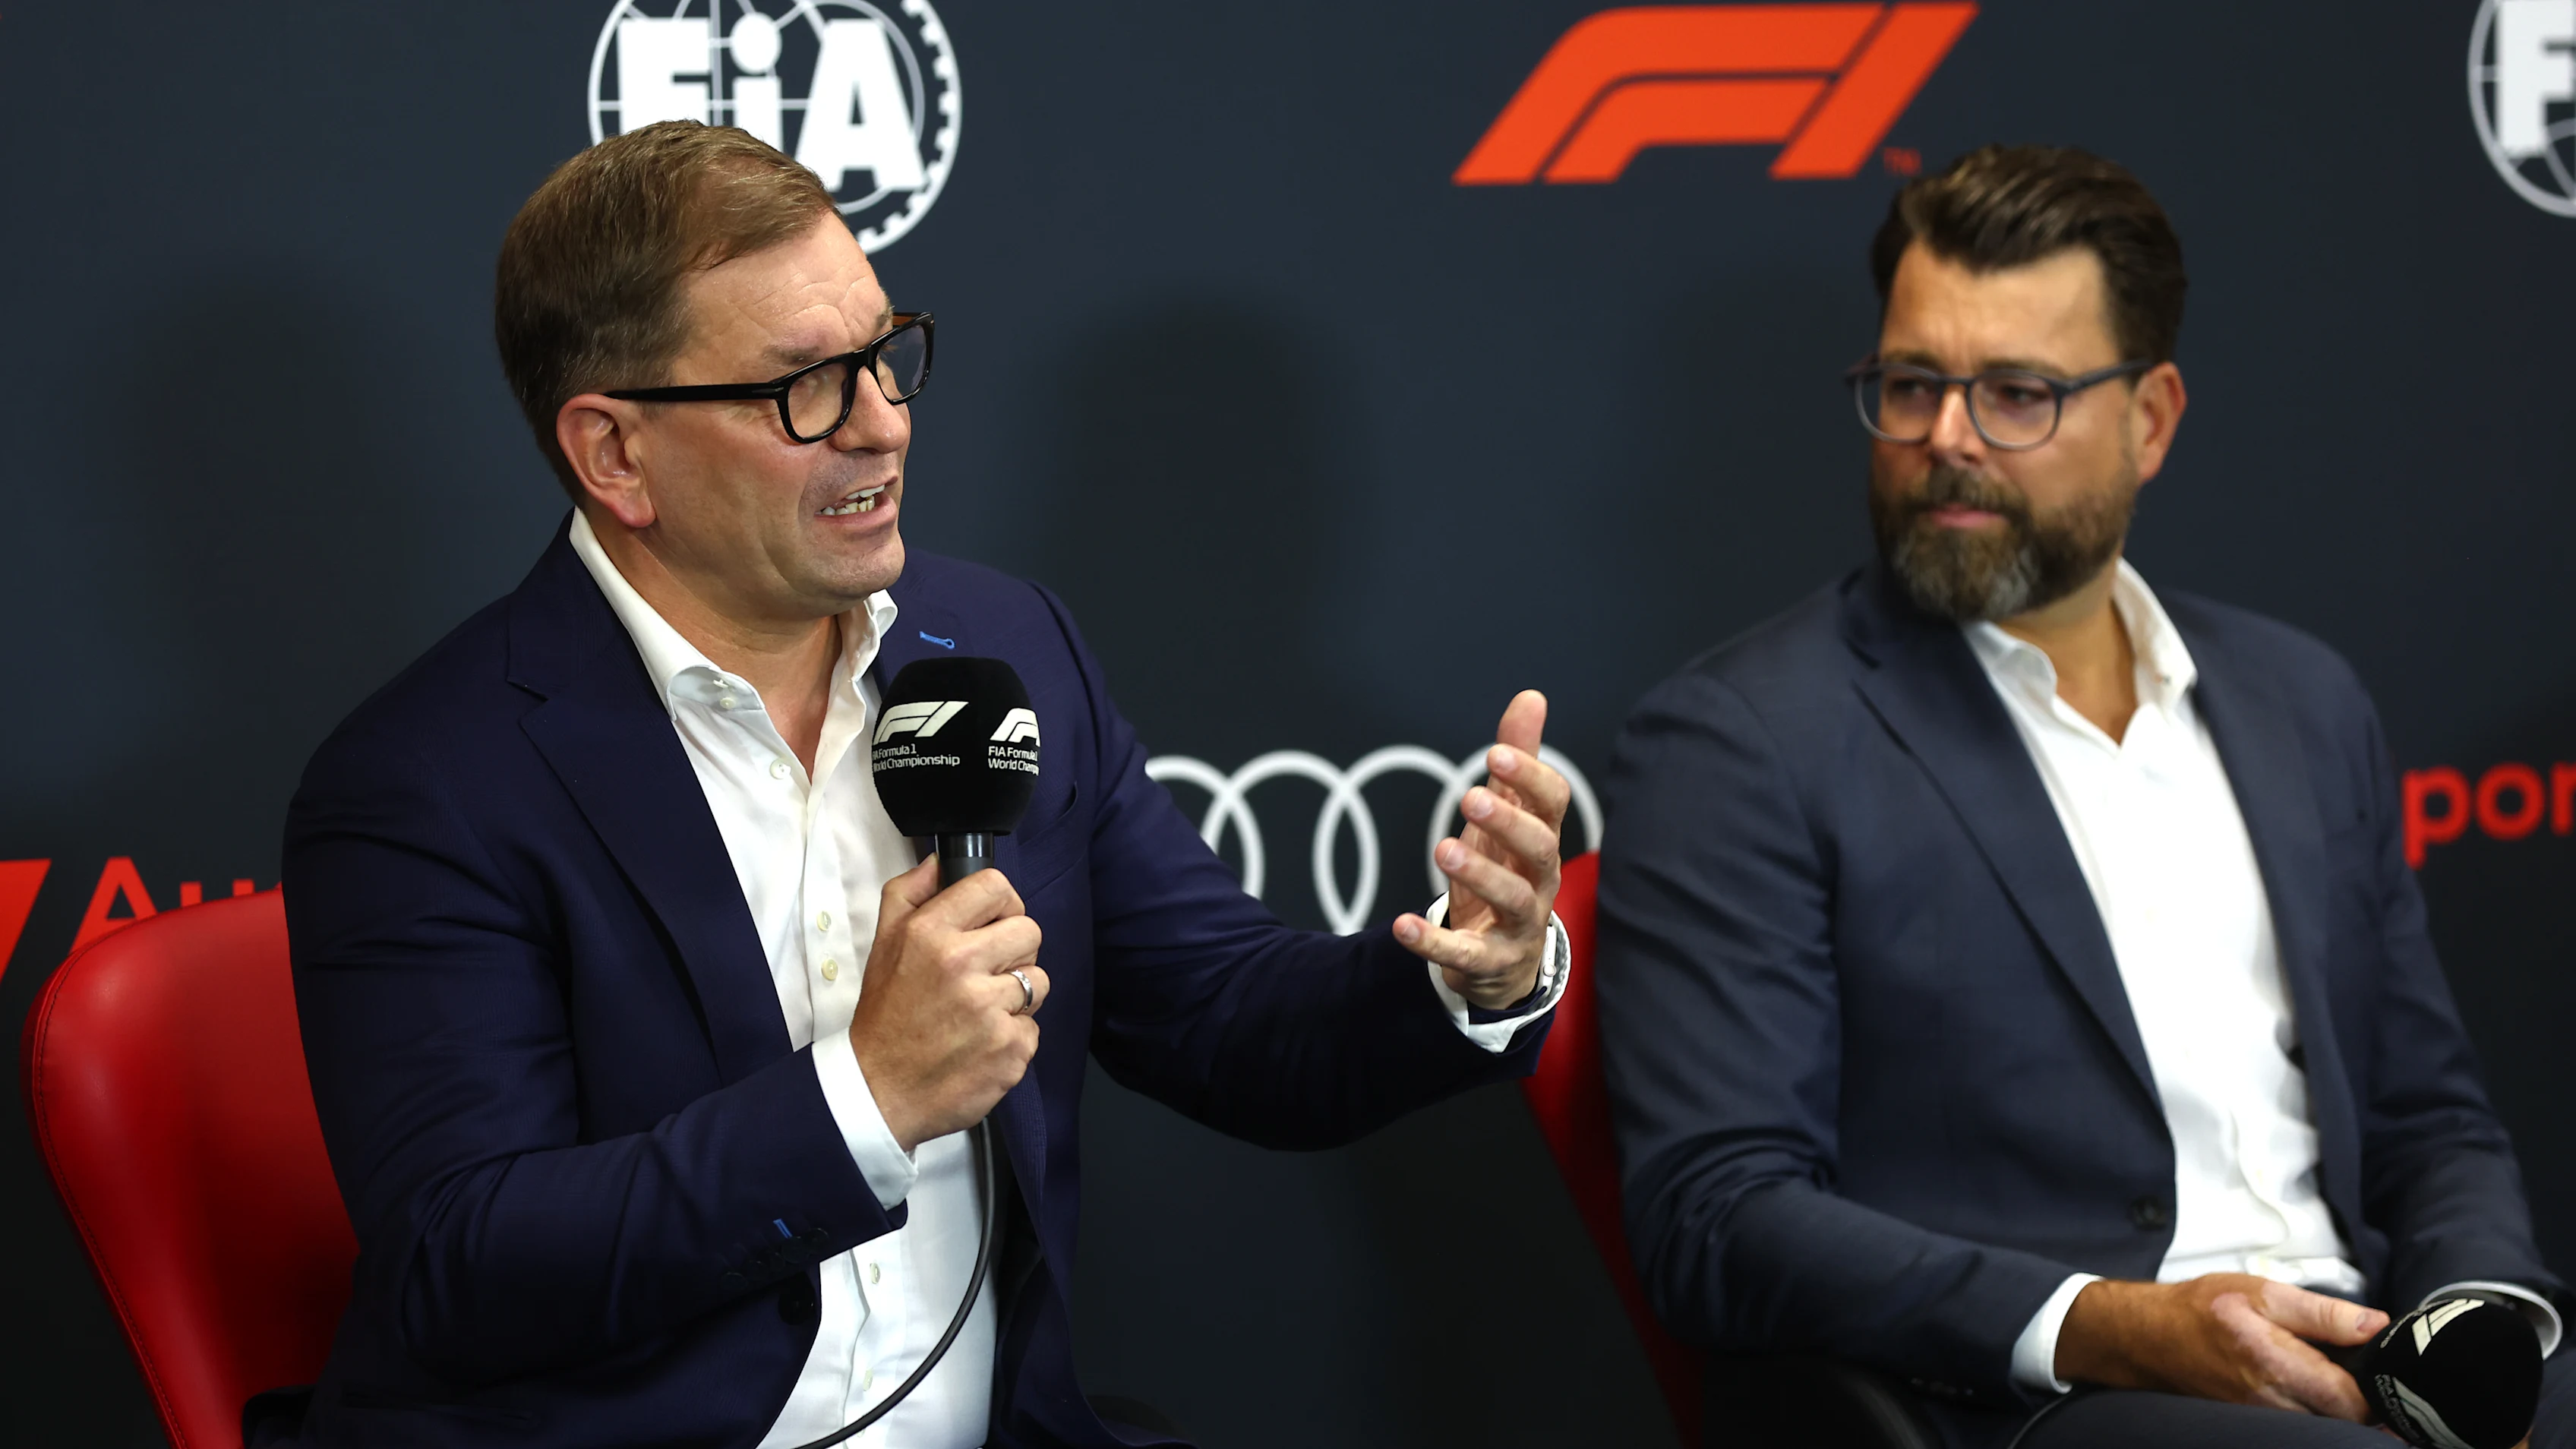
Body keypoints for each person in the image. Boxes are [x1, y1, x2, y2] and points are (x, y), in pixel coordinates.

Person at [273, 121, 1571, 1449]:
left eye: (887, 357)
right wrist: (868, 1098)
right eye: (804, 388)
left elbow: (1228, 1018)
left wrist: (1462, 980)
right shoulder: (426, 783)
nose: (883, 424)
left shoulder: (1008, 651)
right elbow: (464, 1266)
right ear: (616, 454)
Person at [1594, 144, 2569, 1448]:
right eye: (1911, 384)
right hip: (2061, 1401)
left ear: (2152, 419)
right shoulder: (1739, 742)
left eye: (2016, 394)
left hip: (2370, 1349)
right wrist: (2111, 1323)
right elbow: (1716, 1215)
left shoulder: (2304, 701)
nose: (1947, 439)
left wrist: (2477, 1331)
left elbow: (2427, 1118)